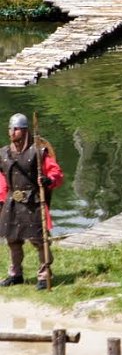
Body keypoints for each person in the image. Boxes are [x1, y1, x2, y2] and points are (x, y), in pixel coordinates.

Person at [0, 113, 64, 290]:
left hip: (33, 201)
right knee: (12, 240)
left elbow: (55, 172)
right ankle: (16, 274)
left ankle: (44, 275)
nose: (12, 132)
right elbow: (1, 177)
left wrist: (48, 180)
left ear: (25, 131)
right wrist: (1, 196)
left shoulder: (37, 152)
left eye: (16, 129)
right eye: (10, 129)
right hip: (13, 201)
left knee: (39, 240)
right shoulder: (4, 153)